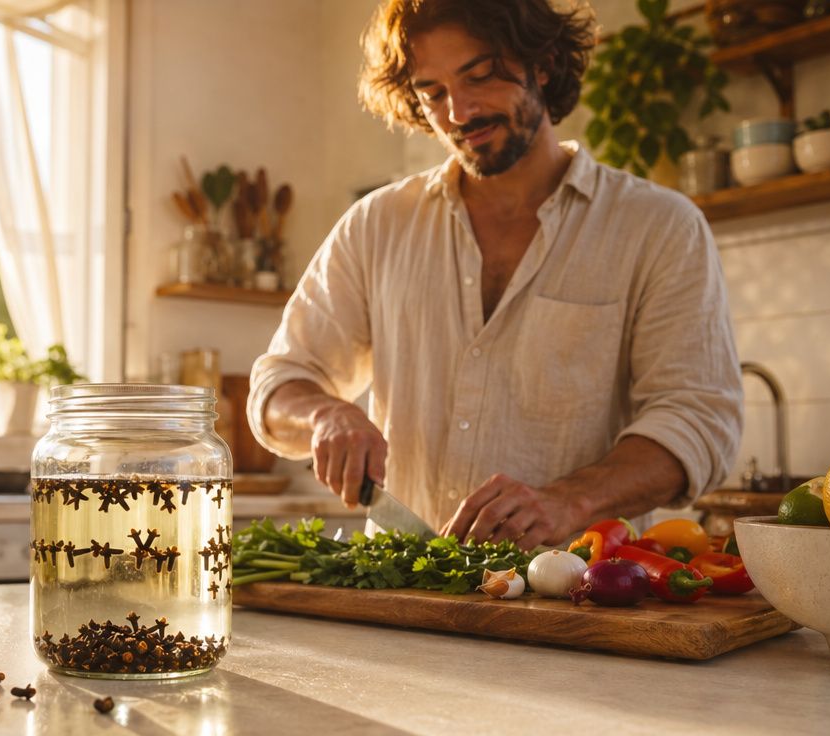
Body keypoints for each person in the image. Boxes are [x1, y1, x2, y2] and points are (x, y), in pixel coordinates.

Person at [246, 0, 743, 550]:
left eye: (480, 75)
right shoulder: (377, 225)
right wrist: (326, 414)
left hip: (587, 602)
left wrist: (568, 501)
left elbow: (699, 421)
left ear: (545, 63)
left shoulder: (658, 227)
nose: (458, 111)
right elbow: (277, 384)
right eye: (432, 92)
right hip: (405, 596)